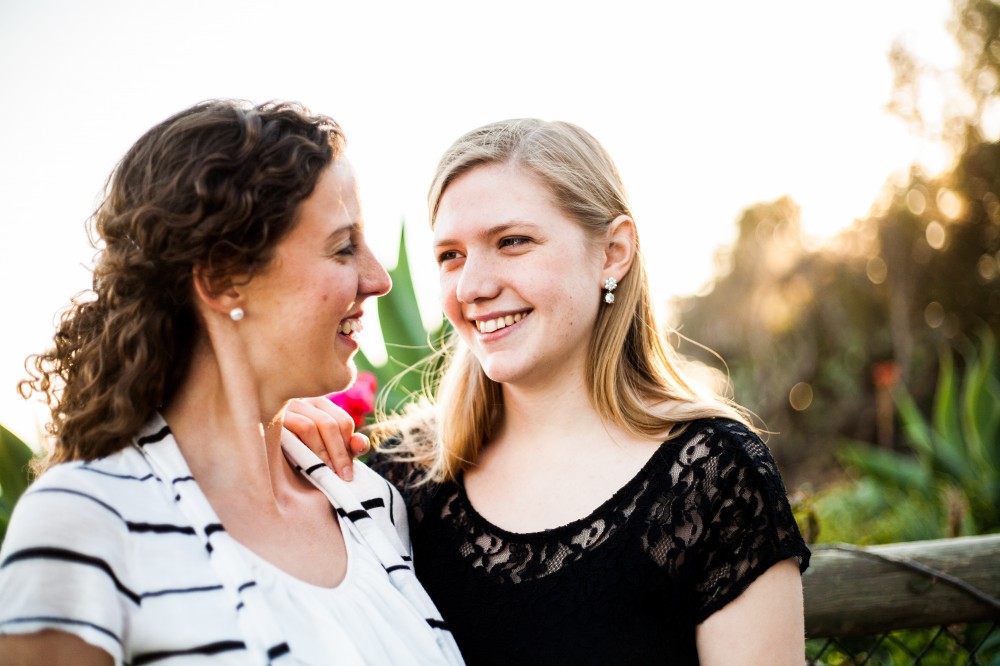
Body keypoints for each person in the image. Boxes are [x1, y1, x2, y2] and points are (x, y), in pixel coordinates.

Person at [290, 118, 810, 665]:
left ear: (613, 251)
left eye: (512, 242)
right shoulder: (397, 479)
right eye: (451, 255)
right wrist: (276, 430)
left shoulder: (713, 475)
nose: (472, 287)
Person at [0, 100, 464, 665]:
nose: (379, 278)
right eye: (343, 247)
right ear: (223, 280)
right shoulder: (86, 522)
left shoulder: (370, 506)